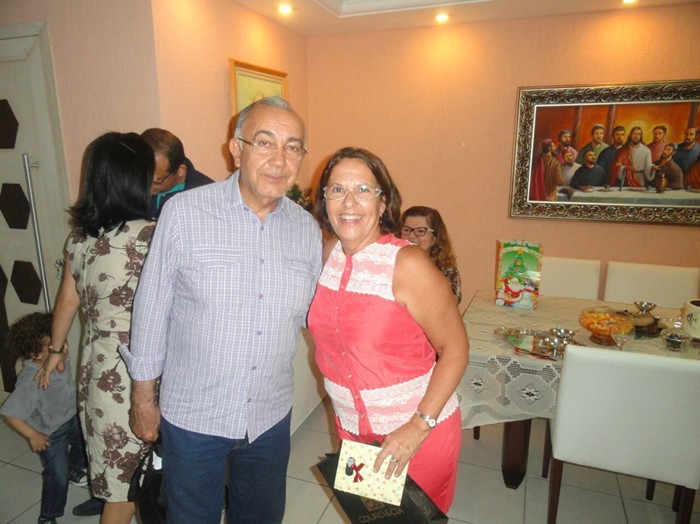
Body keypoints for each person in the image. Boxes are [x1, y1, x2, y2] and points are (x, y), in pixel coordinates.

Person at [123, 97, 322, 524]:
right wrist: (143, 398)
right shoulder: (185, 213)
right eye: (265, 143)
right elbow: (151, 309)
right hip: (194, 416)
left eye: (292, 148)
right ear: (236, 149)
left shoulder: (306, 229)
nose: (279, 160)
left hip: (268, 415)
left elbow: (315, 317)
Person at [308, 147, 469, 513]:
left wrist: (417, 427)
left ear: (383, 203)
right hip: (353, 431)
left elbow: (456, 350)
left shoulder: (407, 263)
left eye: (363, 190)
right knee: (373, 518)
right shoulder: (329, 255)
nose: (349, 202)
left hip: (415, 433)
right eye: (337, 190)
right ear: (325, 200)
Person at [37, 131, 156, 524]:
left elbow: (67, 301)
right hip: (138, 373)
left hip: (95, 370)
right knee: (127, 489)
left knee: (122, 478)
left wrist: (55, 352)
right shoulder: (150, 235)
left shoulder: (80, 238)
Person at [1, 312, 87, 524]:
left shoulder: (59, 357)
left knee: (85, 444)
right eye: (53, 347)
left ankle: (74, 469)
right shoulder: (32, 379)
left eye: (62, 341)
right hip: (50, 432)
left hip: (71, 418)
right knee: (57, 475)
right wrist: (32, 435)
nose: (63, 348)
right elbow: (10, 412)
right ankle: (48, 516)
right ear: (34, 354)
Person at [141, 128, 214, 219]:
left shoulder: (206, 198)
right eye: (142, 177)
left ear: (180, 170)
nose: (147, 186)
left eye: (156, 181)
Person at [400, 206, 462, 305]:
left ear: (435, 238)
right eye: (406, 230)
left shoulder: (447, 270)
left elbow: (448, 306)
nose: (411, 236)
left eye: (420, 231)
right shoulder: (389, 265)